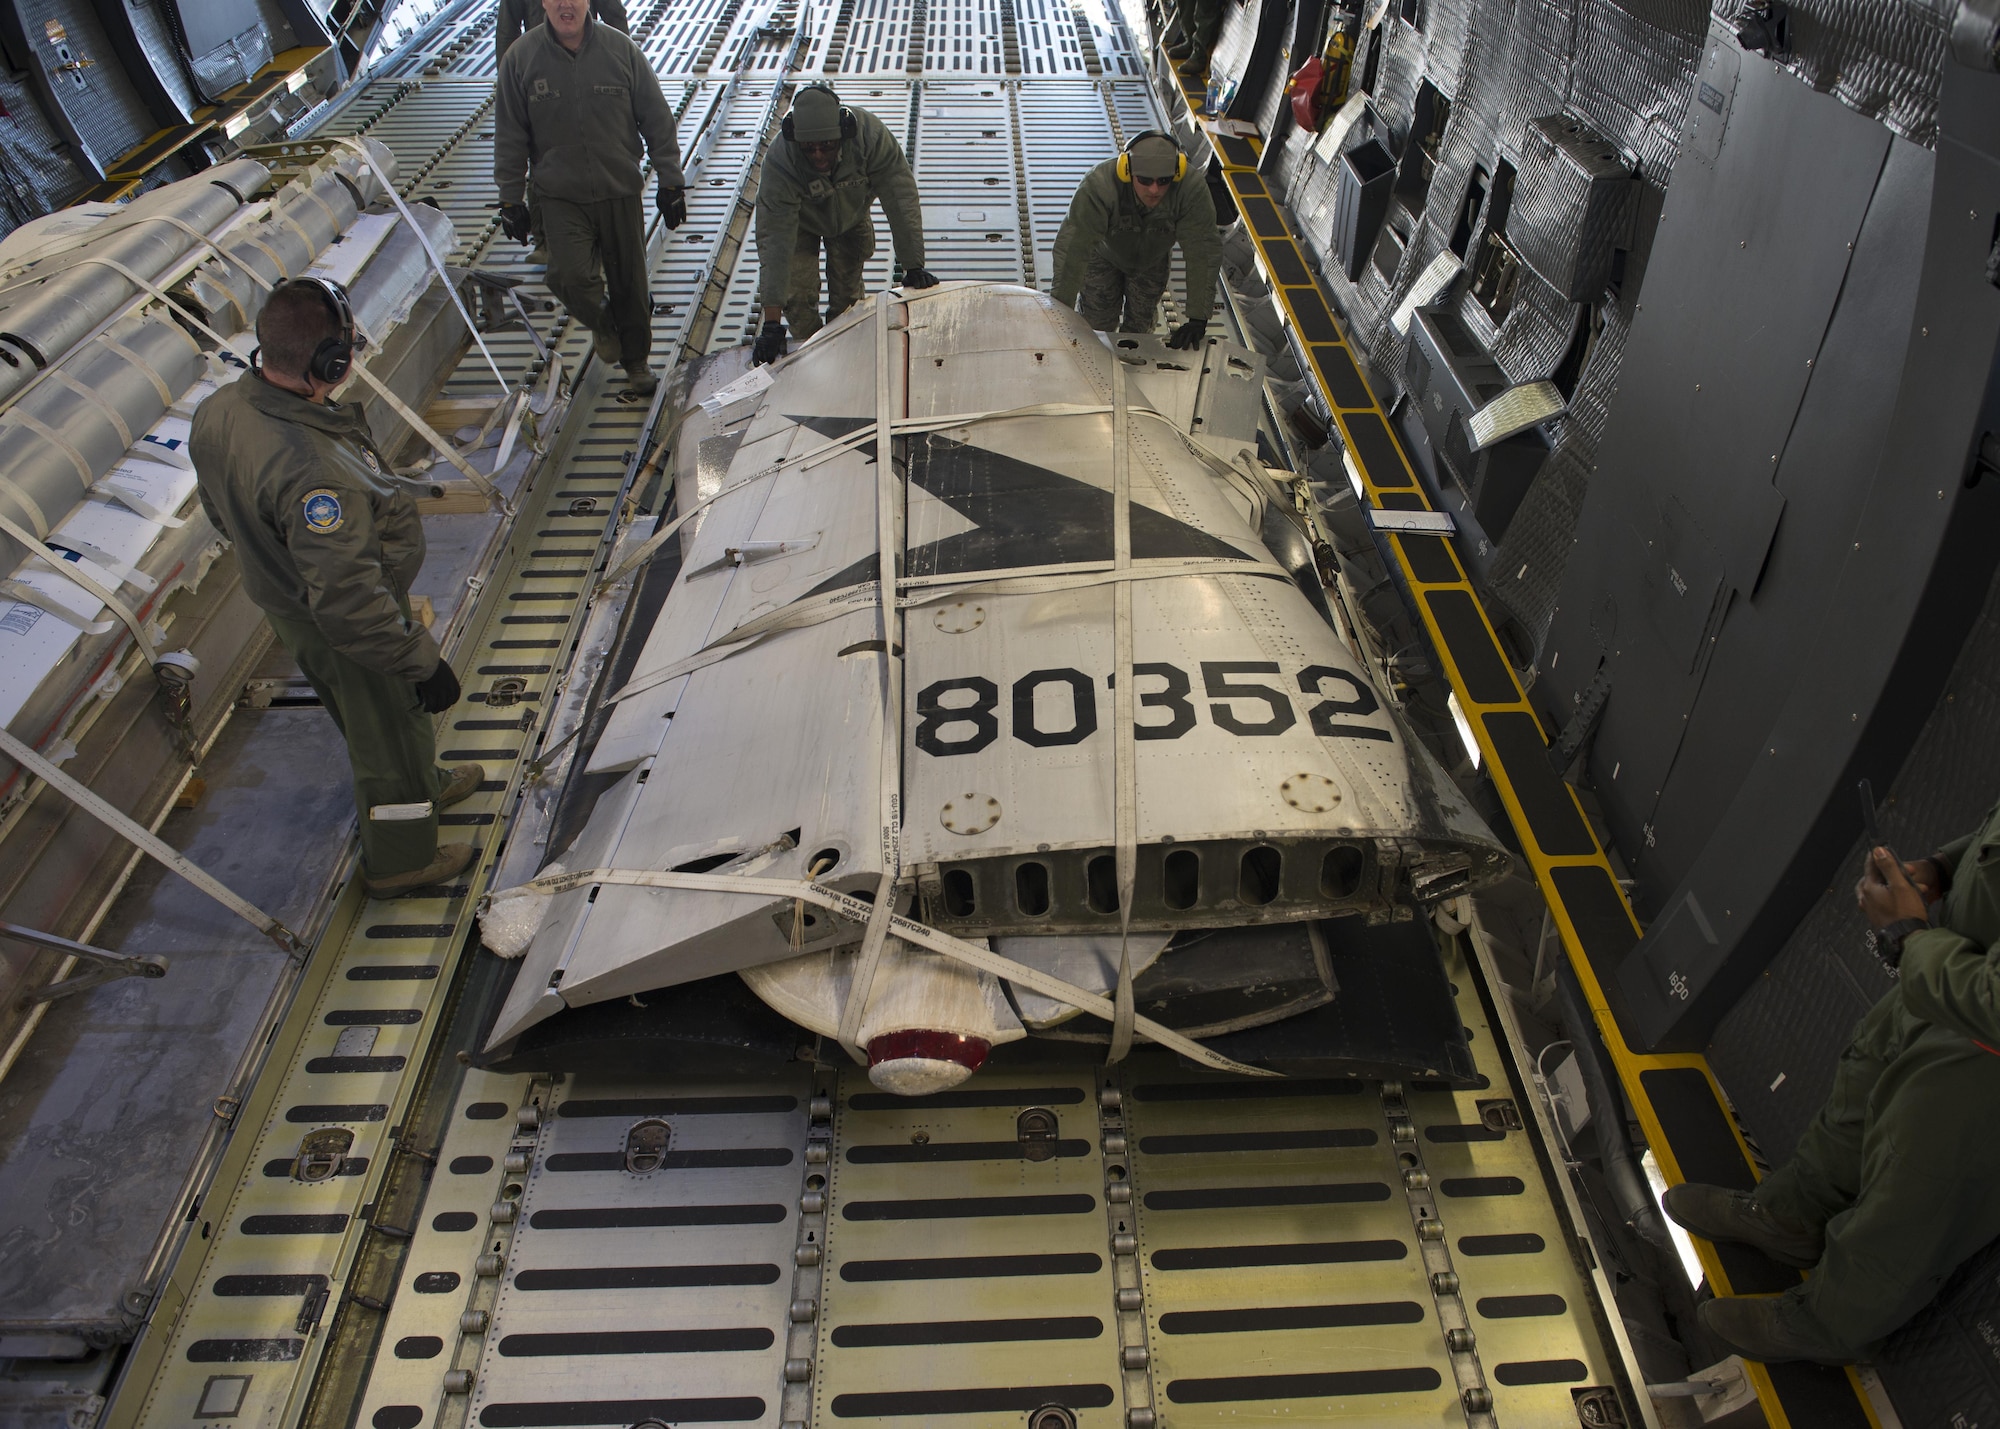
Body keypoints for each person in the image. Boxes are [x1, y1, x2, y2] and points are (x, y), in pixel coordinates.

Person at [1664, 804, 2000, 1364]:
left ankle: (1828, 1324)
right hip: (1954, 974)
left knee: (1917, 1183)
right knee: (1862, 1085)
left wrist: (1909, 934)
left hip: (1982, 1038)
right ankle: (1791, 1218)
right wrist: (1945, 865)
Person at [190, 279, 481, 897]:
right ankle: (401, 859)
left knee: (389, 724)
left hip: (296, 603)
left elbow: (221, 512)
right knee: (386, 735)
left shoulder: (221, 410)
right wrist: (419, 659)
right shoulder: (311, 470)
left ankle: (424, 783)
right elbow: (349, 602)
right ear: (331, 361)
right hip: (346, 621)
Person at [495, 0, 684, 396]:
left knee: (629, 283)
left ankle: (635, 362)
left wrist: (671, 180)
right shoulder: (521, 59)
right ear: (543, 3)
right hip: (560, 194)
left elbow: (656, 117)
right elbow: (510, 132)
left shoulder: (621, 51)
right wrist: (511, 197)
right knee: (568, 276)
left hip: (619, 188)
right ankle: (604, 322)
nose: (566, 4)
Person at [750, 84, 936, 365]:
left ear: (844, 132)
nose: (818, 156)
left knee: (847, 300)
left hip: (850, 216)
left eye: (827, 146)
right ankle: (811, 358)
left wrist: (913, 265)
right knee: (797, 296)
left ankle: (844, 356)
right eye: (809, 149)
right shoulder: (781, 161)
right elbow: (774, 240)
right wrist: (772, 323)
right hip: (800, 224)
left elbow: (900, 200)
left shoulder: (870, 138)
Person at [1050, 131, 1220, 349]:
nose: (1154, 190)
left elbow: (1203, 251)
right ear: (1126, 171)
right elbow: (1073, 247)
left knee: (1139, 329)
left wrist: (1199, 317)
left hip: (1152, 261)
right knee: (1096, 323)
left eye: (1164, 181)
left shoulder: (1190, 190)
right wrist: (1058, 311)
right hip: (1103, 257)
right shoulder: (1100, 186)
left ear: (1177, 173)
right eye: (1145, 180)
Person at [493, 0, 631, 266]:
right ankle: (545, 241)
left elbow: (614, 15)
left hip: (586, 63)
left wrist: (619, 66)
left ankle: (600, 238)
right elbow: (507, 29)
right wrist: (508, 80)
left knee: (595, 147)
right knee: (542, 158)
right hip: (539, 72)